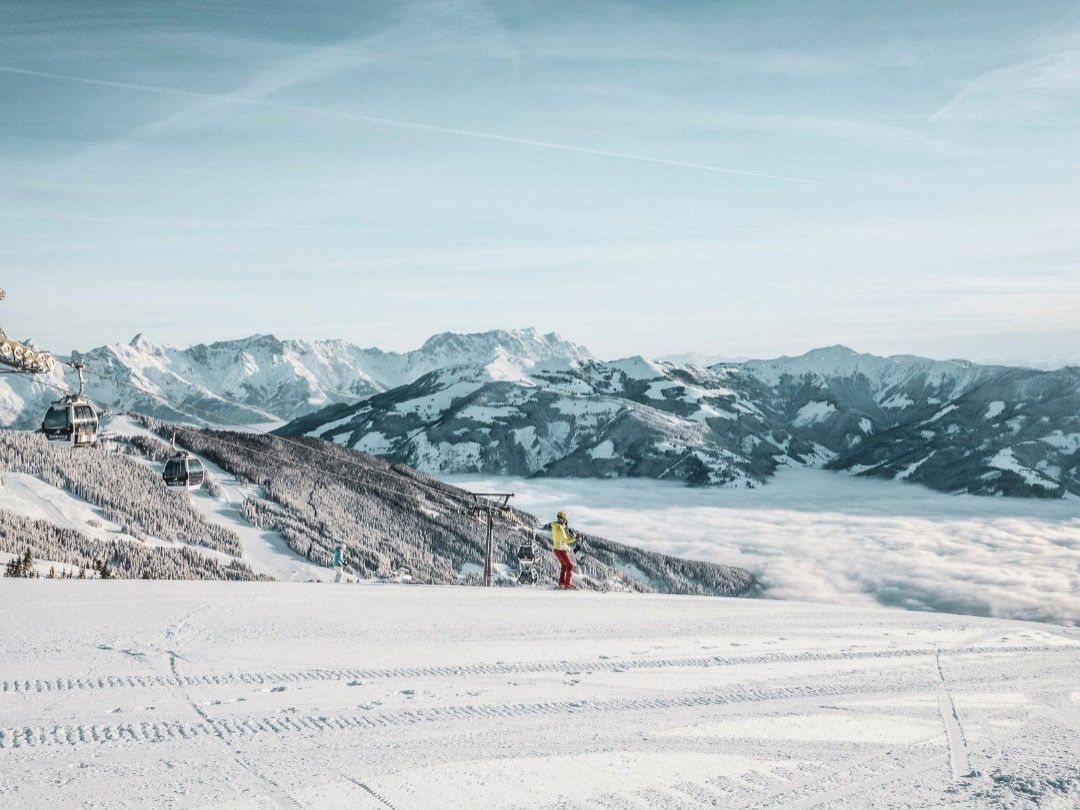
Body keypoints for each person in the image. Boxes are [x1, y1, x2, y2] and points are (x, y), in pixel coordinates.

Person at [549, 511, 579, 590]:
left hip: (556, 549)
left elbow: (561, 531)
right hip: (561, 550)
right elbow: (566, 540)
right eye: (562, 520)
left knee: (564, 565)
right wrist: (575, 538)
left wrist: (564, 526)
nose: (562, 521)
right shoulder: (559, 529)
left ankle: (561, 583)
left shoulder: (555, 526)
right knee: (570, 566)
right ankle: (567, 585)